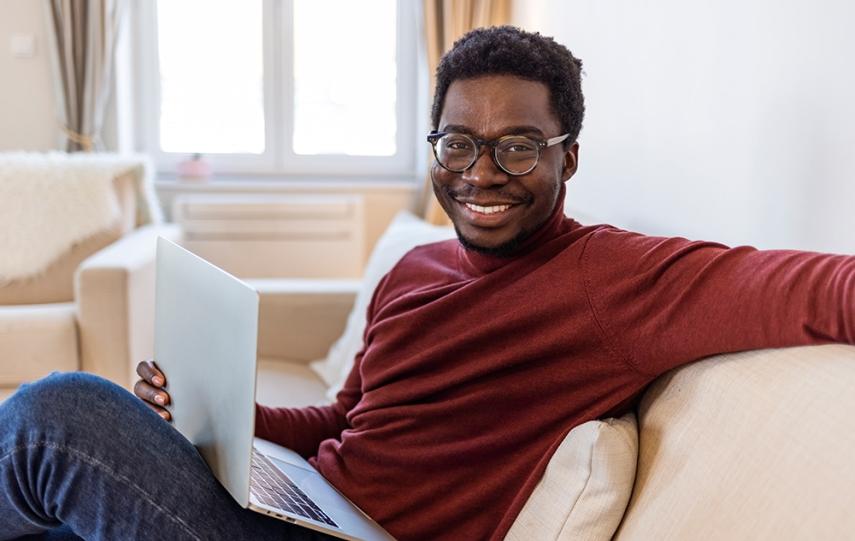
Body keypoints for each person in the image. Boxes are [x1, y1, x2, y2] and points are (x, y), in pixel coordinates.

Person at [2, 25, 855, 541]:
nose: (481, 173)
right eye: (457, 143)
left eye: (518, 145)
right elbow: (344, 420)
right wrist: (217, 418)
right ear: (434, 146)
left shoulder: (607, 281)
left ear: (571, 157)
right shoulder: (414, 267)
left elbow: (813, 288)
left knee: (58, 417)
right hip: (300, 509)